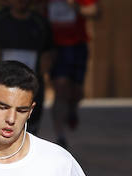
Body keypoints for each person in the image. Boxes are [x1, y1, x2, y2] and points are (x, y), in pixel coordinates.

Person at [0, 0, 53, 133]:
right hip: (1, 81)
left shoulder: (41, 22)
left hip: (31, 82)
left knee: (30, 125)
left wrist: (46, 62)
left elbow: (50, 50)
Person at [46, 0, 100, 148]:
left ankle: (72, 109)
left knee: (77, 92)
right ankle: (60, 136)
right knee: (60, 88)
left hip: (77, 45)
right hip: (55, 46)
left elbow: (95, 11)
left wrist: (74, 5)